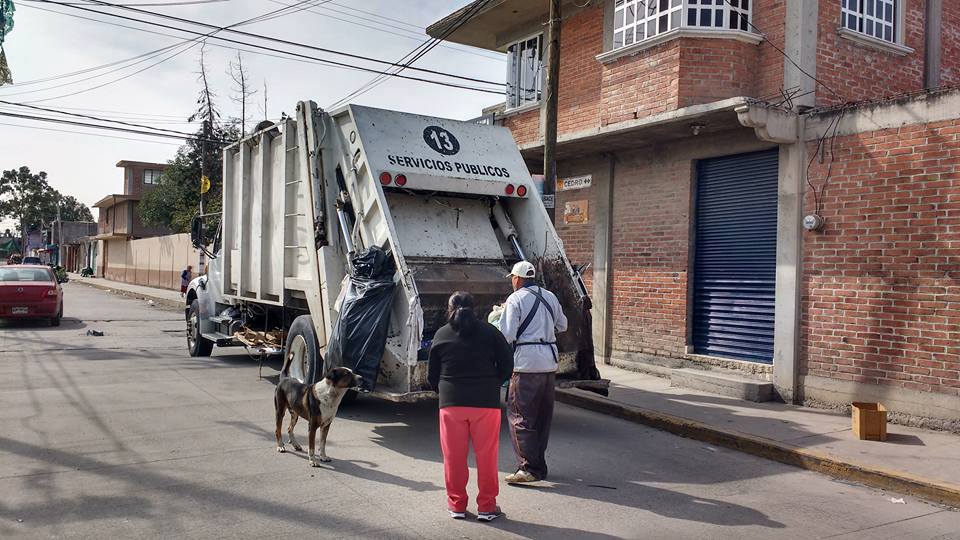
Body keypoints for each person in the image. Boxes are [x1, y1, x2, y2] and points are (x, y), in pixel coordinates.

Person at [428, 291, 513, 522]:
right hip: (486, 403)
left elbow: (431, 374)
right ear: (475, 309)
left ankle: (456, 505)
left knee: (453, 458)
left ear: (449, 308)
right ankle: (486, 507)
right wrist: (494, 382)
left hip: (451, 404)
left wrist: (444, 391)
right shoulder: (490, 332)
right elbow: (508, 364)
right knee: (487, 458)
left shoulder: (441, 334)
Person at [499, 261, 567, 485]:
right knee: (541, 417)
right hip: (548, 362)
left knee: (519, 416)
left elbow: (507, 334)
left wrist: (497, 317)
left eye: (512, 278)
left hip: (526, 365)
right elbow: (563, 325)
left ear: (517, 279)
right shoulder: (550, 296)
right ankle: (539, 466)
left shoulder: (515, 299)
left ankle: (528, 468)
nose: (512, 282)